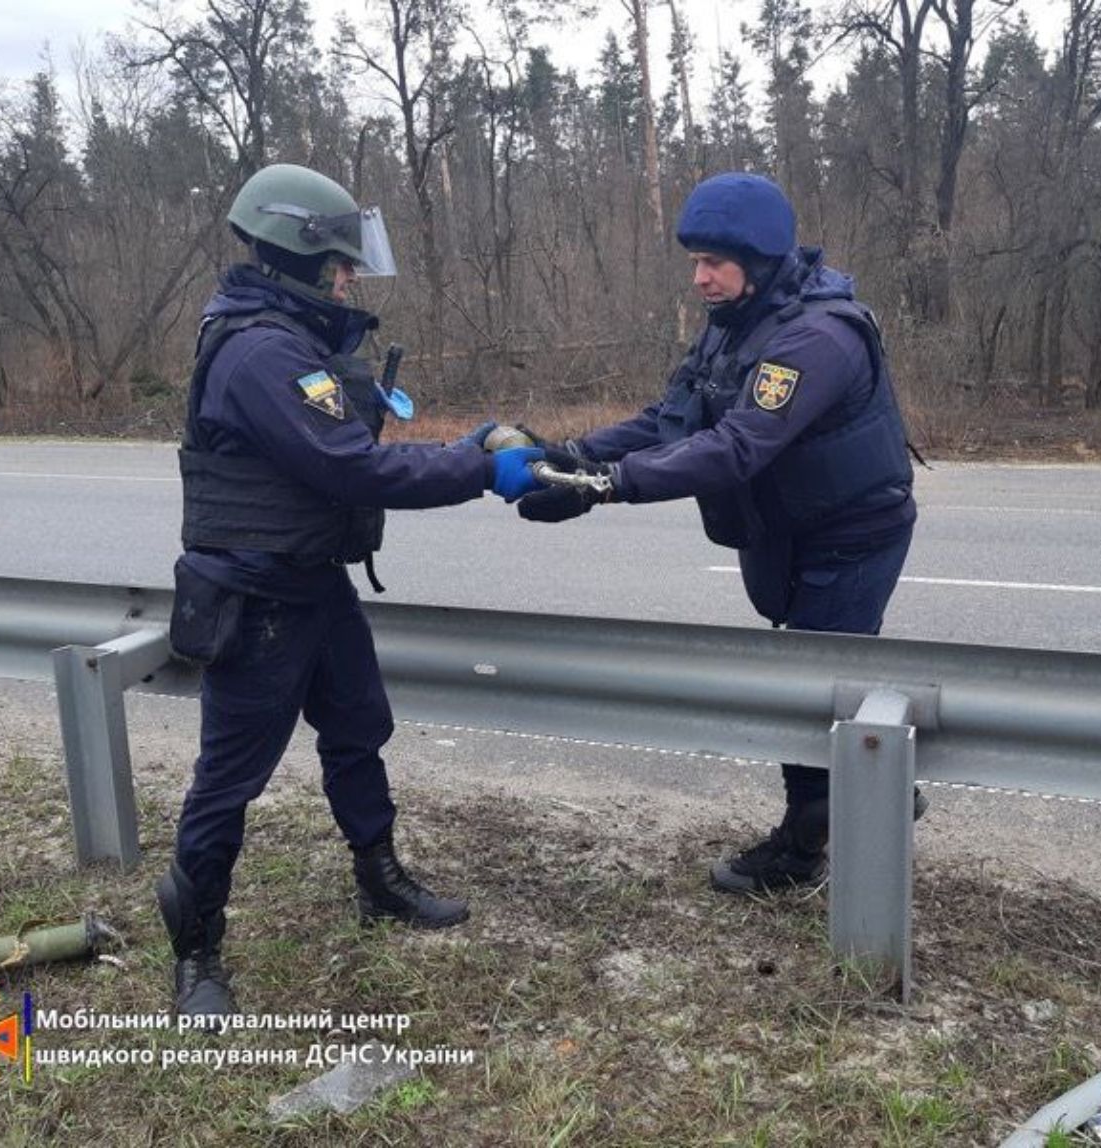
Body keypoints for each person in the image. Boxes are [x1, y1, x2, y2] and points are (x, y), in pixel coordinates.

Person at [158, 162, 544, 1022]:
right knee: (230, 779)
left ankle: (379, 879)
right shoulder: (261, 353)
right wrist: (482, 470)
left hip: (312, 583)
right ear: (296, 256)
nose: (350, 278)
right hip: (254, 596)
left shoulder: (295, 342)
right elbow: (351, 468)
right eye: (339, 263)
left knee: (358, 729)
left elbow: (348, 450)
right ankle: (197, 954)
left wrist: (468, 445)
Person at [515, 171, 921, 896]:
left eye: (713, 263)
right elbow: (671, 419)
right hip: (786, 528)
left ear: (759, 261)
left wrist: (611, 484)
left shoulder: (819, 338)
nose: (699, 278)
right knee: (811, 681)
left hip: (851, 533)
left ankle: (810, 842)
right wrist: (577, 457)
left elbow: (737, 446)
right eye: (695, 262)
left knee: (812, 686)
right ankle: (867, 794)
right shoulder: (735, 320)